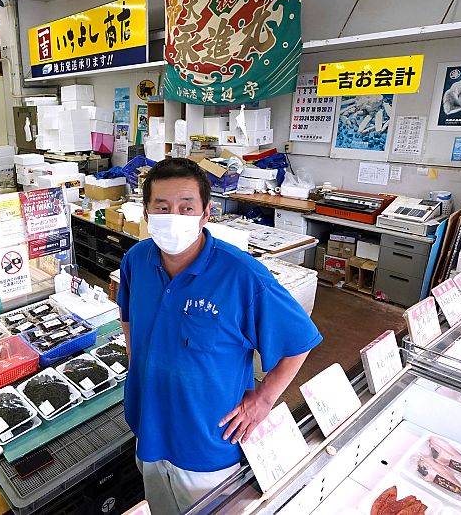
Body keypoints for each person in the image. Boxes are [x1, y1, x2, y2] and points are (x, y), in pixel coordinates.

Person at [116, 159, 322, 514]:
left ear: (205, 213)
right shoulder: (136, 260)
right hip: (148, 425)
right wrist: (139, 368)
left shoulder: (242, 276)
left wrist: (263, 400)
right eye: (161, 208)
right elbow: (129, 316)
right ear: (146, 213)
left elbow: (299, 339)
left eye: (186, 207)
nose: (173, 216)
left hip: (207, 445)